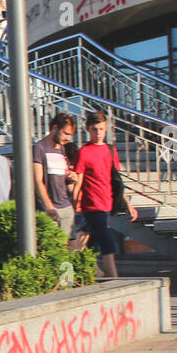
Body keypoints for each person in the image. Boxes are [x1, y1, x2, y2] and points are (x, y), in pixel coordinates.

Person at [71, 112, 138, 278]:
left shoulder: (110, 150)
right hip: (91, 204)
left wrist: (128, 204)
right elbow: (78, 182)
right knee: (106, 240)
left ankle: (93, 270)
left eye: (101, 129)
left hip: (107, 202)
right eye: (94, 129)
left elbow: (116, 180)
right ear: (88, 129)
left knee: (90, 239)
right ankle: (113, 276)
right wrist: (73, 206)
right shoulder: (83, 152)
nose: (98, 133)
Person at [34, 113, 79, 241]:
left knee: (67, 254)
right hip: (49, 208)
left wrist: (71, 177)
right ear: (55, 128)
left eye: (70, 135)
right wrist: (49, 206)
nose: (68, 138)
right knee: (50, 250)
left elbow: (62, 175)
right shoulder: (39, 148)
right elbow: (38, 180)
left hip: (65, 206)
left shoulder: (62, 149)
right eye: (65, 133)